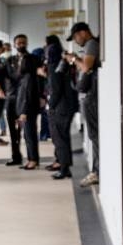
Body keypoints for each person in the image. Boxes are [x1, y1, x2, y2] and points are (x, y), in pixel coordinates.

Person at [66, 22, 100, 187]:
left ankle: (97, 172)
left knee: (95, 135)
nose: (75, 40)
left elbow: (86, 67)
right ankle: (96, 170)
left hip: (93, 96)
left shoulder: (92, 44)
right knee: (94, 135)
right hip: (90, 96)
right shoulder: (89, 45)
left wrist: (73, 59)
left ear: (83, 32)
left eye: (75, 37)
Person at [0, 34, 31, 166]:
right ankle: (16, 156)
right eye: (19, 43)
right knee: (13, 130)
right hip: (11, 98)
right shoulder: (9, 60)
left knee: (27, 130)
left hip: (26, 99)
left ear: (27, 44)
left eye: (23, 43)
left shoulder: (31, 59)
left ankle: (32, 158)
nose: (21, 45)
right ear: (15, 45)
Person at [45, 40, 78, 179]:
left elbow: (56, 91)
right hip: (68, 106)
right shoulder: (63, 64)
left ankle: (64, 169)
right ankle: (66, 167)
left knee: (59, 139)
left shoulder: (53, 68)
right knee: (63, 138)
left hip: (60, 108)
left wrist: (50, 106)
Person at [15, 48, 42, 169]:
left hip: (28, 110)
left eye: (22, 62)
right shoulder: (29, 76)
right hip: (29, 109)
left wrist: (23, 112)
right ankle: (32, 159)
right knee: (29, 135)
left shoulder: (29, 78)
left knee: (29, 135)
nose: (20, 64)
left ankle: (33, 160)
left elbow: (27, 96)